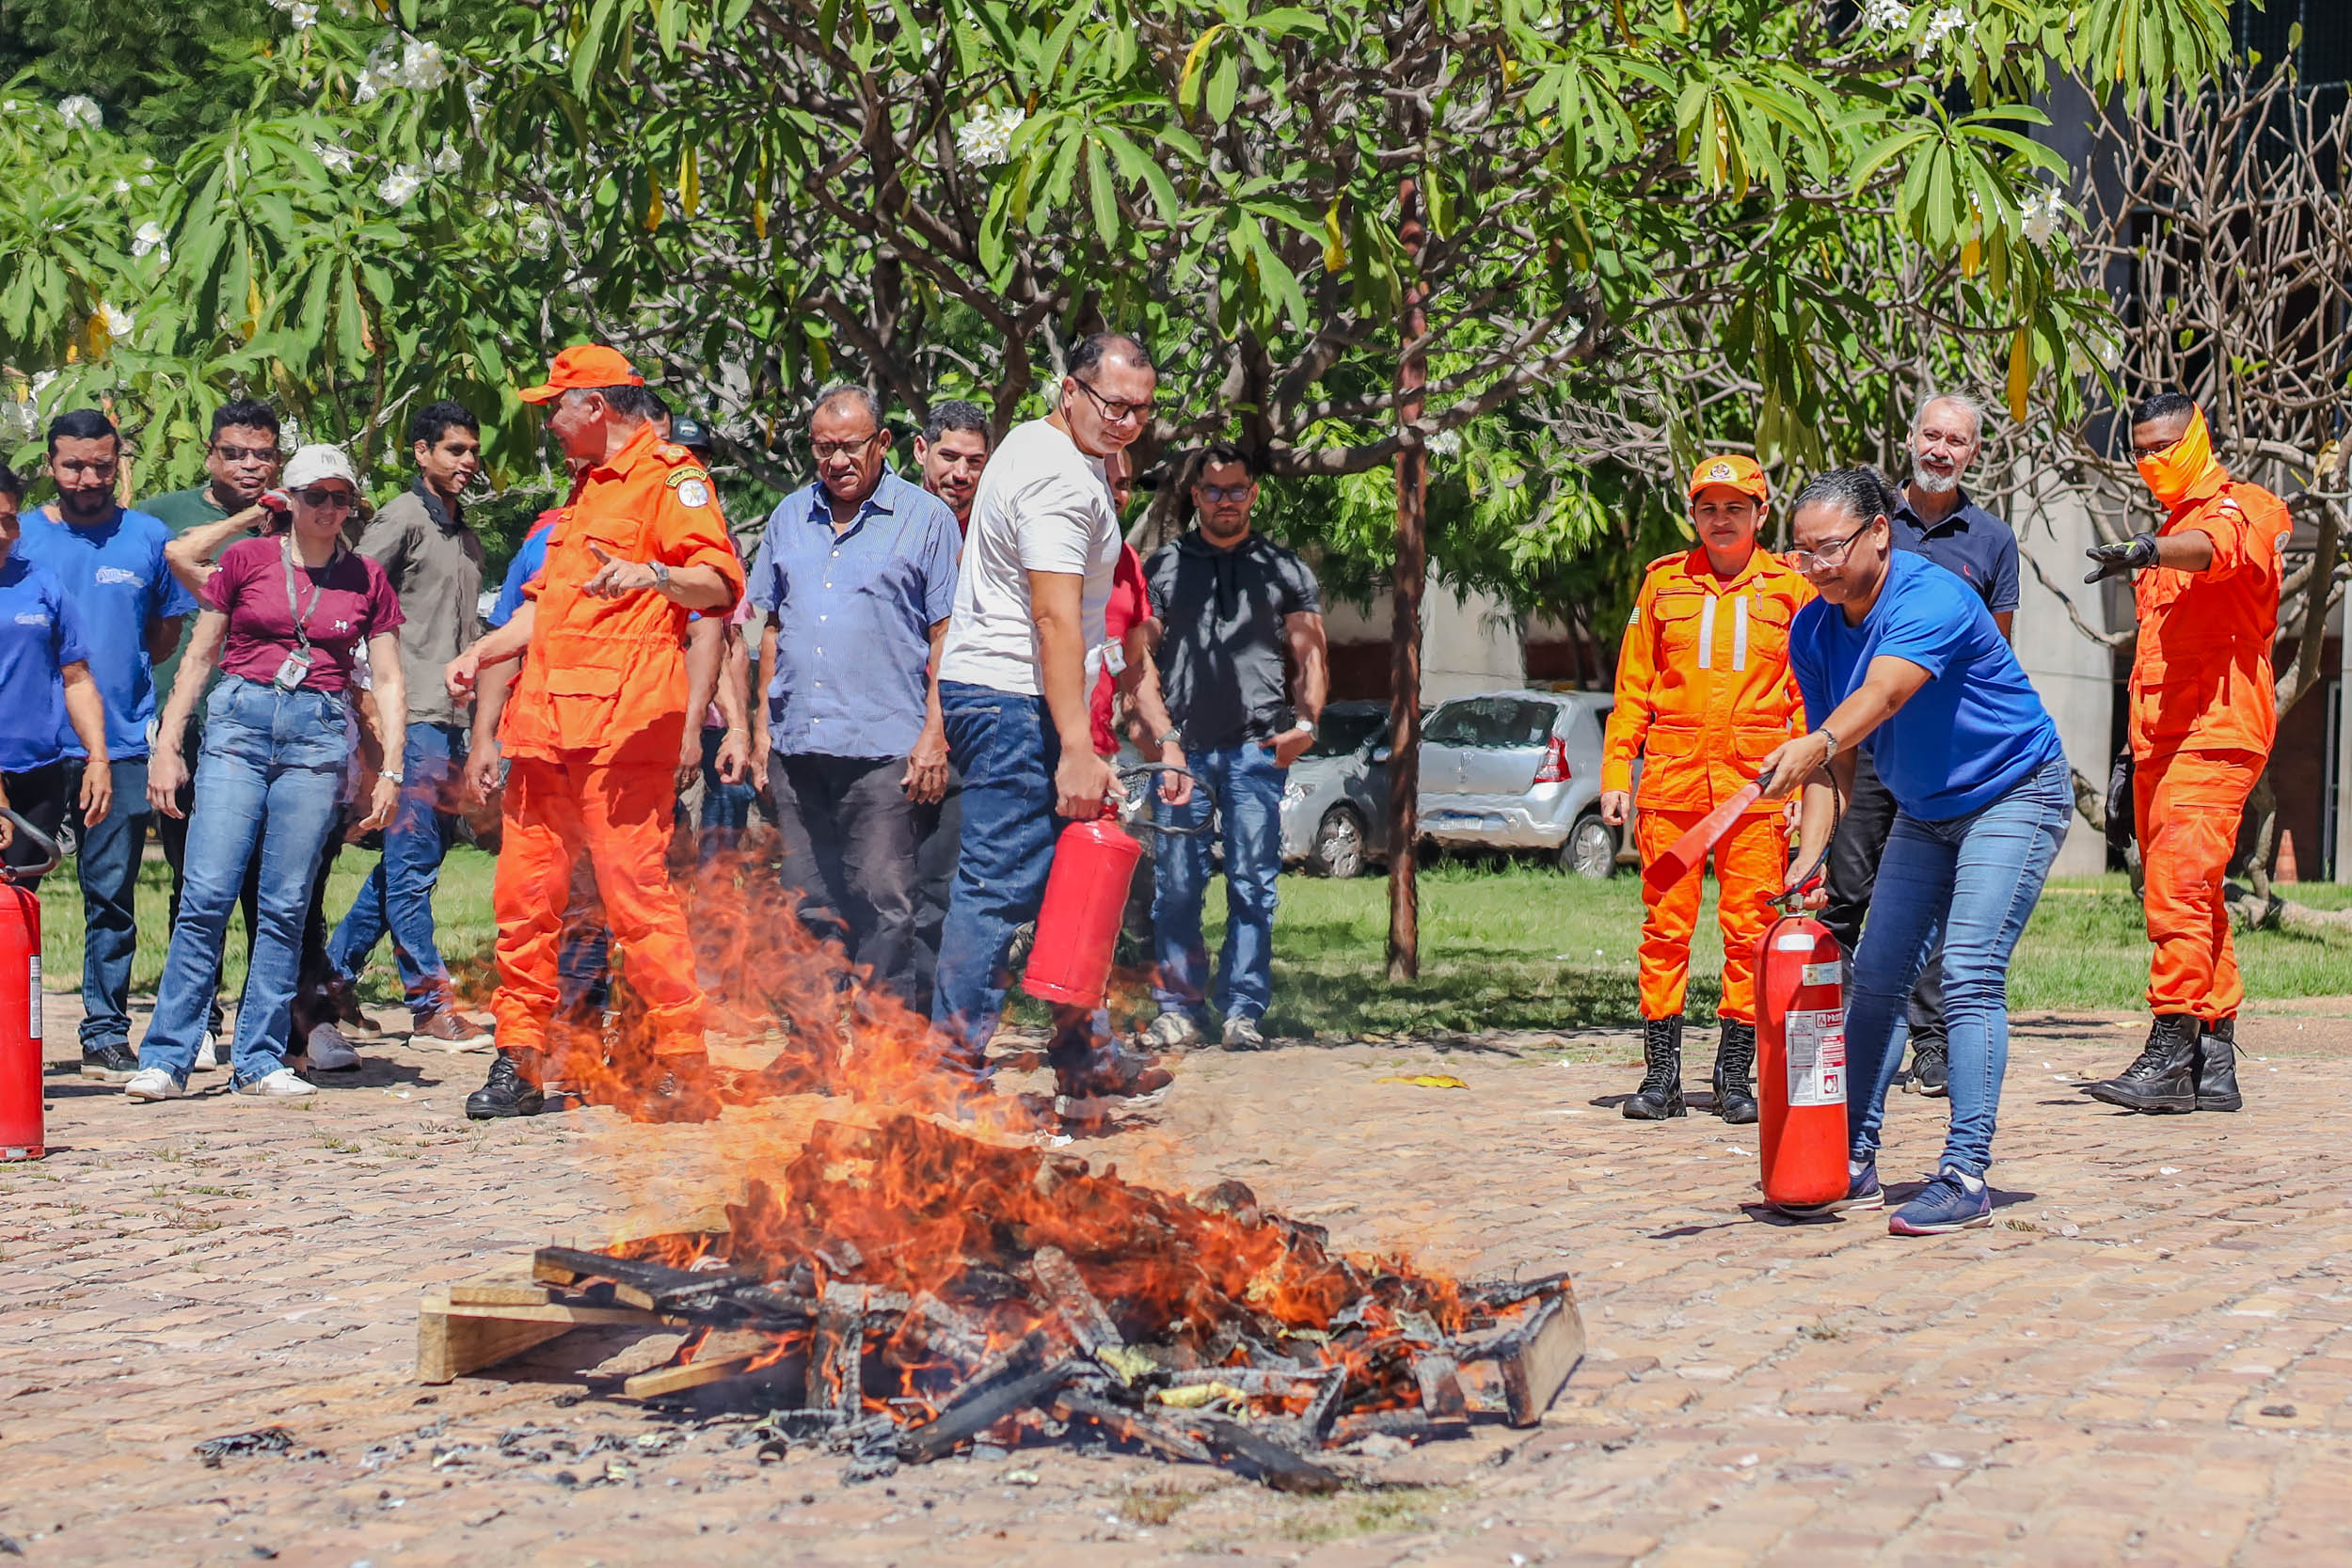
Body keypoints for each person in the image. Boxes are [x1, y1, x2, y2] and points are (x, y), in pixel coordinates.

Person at [1759, 467, 2071, 1235]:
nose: (1817, 567)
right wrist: (1810, 859)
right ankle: (1852, 1159)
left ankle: (1965, 1173)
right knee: (1875, 978)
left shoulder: (1931, 597)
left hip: (2015, 791)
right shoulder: (1813, 629)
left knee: (1967, 971)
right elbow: (1837, 764)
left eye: (1831, 547)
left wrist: (1819, 740)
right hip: (1926, 811)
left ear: (1877, 534)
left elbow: (1883, 698)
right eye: (1803, 554)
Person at [445, 345, 741, 1122]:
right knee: (523, 900)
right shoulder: (581, 493)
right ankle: (520, 1062)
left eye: (557, 406)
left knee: (638, 903)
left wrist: (655, 577)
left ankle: (684, 1064)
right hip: (545, 729)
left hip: (622, 733)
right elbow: (546, 609)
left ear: (598, 408)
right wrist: (480, 653)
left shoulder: (672, 476)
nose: (549, 420)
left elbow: (717, 582)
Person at [929, 332, 1183, 1109]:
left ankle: (1085, 1050)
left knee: (1065, 875)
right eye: (1112, 405)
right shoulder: (1058, 481)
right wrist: (1077, 742)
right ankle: (952, 1069)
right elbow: (1054, 617)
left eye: (1140, 411)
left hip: (1010, 693)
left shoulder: (1048, 451)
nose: (1126, 423)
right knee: (998, 883)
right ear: (1069, 390)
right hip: (1016, 699)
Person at [127, 446, 406, 1101]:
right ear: (291, 499)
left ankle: (258, 1056)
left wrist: (389, 768)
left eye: (341, 498)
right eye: (315, 496)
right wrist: (169, 745)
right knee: (206, 894)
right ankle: (167, 1055)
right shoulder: (247, 559)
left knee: (286, 904)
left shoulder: (366, 577)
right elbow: (198, 655)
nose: (328, 509)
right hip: (237, 726)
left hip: (316, 735)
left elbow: (390, 678)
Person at [2079, 394, 2291, 1115]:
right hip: (2159, 738)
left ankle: (2169, 1049)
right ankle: (2213, 1058)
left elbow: (2219, 551)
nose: (2153, 461)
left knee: (2176, 883)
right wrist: (2124, 756)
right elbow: (2154, 656)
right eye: (2140, 450)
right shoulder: (2168, 532)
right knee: (2195, 893)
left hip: (2218, 728)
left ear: (2200, 436)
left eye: (2166, 445)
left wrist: (2149, 548)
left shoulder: (2245, 507)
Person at [1599, 454, 1812, 1123]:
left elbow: (1807, 693)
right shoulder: (1663, 584)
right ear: (1693, 514)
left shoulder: (1790, 589)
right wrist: (1616, 774)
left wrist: (1806, 785)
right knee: (1665, 930)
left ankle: (1733, 1074)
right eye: (1709, 508)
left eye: (1735, 508)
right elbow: (1631, 689)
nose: (1722, 520)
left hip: (1757, 788)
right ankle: (1661, 1076)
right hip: (1672, 784)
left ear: (1760, 514)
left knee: (1751, 932)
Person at [1820, 394, 2021, 1098]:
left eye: (1956, 440)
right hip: (1868, 742)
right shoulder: (1871, 526)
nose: (1941, 448)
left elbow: (1996, 648)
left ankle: (1932, 1043)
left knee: (1939, 901)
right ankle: (1831, 1025)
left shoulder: (1992, 539)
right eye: (1931, 434)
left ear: (1972, 453)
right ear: (1910, 439)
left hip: (1941, 754)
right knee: (1846, 886)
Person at [747, 384, 960, 1006]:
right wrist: (762, 733)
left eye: (848, 446)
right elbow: (773, 629)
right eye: (822, 448)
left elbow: (947, 634)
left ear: (883, 443)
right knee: (806, 901)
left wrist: (934, 734)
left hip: (883, 753)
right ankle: (815, 1046)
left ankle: (881, 1051)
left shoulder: (927, 519)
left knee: (885, 906)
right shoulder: (789, 515)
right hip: (797, 749)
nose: (836, 460)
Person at [14, 410, 195, 1081]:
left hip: (118, 744)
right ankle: (16, 1032)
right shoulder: (21, 537)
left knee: (112, 894)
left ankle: (105, 1030)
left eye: (101, 465)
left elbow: (163, 634)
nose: (88, 478)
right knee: (16, 892)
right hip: (30, 747)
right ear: (49, 466)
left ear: (119, 461)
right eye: (73, 466)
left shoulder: (147, 537)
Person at [1138, 443, 1325, 1053]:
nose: (1225, 500)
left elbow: (1310, 653)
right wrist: (1154, 733)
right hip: (1182, 755)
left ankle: (1243, 1011)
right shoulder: (1163, 567)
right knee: (1177, 886)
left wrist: (1307, 724)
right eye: (1213, 490)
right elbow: (1140, 653)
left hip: (1255, 753)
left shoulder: (1283, 568)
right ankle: (1176, 1010)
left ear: (1254, 493)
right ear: (1195, 495)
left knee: (1252, 885)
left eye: (1236, 489)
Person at [326, 401, 496, 1047]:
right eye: (454, 450)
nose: (467, 461)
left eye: (472, 450)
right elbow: (350, 593)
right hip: (413, 715)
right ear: (422, 453)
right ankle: (428, 1003)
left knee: (410, 859)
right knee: (411, 866)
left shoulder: (463, 528)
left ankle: (331, 980)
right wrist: (367, 704)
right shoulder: (402, 517)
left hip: (453, 717)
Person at [140, 399, 284, 1064]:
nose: (250, 465)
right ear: (210, 454)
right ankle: (196, 1017)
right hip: (193, 719)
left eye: (262, 453)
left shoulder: (303, 518)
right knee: (195, 879)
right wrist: (251, 518)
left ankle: (277, 1020)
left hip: (278, 722)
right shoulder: (169, 515)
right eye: (235, 452)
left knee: (276, 880)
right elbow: (165, 572)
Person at [910, 400, 993, 1011]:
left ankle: (923, 1028)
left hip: (959, 740)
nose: (960, 473)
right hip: (877, 734)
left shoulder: (992, 540)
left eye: (974, 461)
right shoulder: (881, 522)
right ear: (919, 451)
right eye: (949, 457)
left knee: (940, 892)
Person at [0, 464, 111, 881]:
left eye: (10, 519)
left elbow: (77, 676)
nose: (5, 534)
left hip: (39, 772)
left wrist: (97, 758)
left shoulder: (40, 582)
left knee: (18, 905)